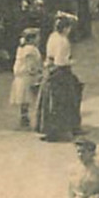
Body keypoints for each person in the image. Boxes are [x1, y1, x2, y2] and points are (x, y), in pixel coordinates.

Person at [37, 13, 83, 142]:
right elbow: (61, 61)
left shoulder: (52, 36)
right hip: (60, 72)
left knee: (49, 100)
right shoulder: (63, 41)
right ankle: (67, 129)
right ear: (65, 28)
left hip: (49, 71)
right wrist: (71, 61)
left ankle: (48, 128)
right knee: (69, 98)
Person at [9, 28, 42, 129]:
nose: (39, 39)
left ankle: (24, 117)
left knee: (24, 100)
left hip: (20, 76)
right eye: (37, 37)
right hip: (27, 77)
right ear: (32, 39)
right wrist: (38, 72)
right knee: (28, 97)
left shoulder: (21, 48)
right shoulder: (32, 50)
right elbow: (31, 66)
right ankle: (28, 119)